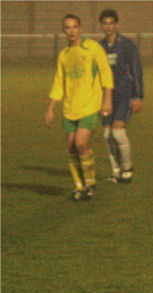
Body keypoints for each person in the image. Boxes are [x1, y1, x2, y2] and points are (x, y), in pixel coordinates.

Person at [45, 14, 113, 201]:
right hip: (69, 108)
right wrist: (51, 108)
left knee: (81, 144)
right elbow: (59, 83)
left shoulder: (92, 48)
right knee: (71, 148)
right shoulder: (64, 55)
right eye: (67, 27)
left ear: (80, 28)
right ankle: (79, 186)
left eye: (74, 26)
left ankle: (90, 184)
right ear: (64, 31)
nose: (71, 31)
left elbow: (106, 73)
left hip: (90, 106)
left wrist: (107, 99)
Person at [99, 8, 144, 184]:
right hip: (107, 97)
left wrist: (137, 97)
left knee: (118, 134)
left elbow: (136, 71)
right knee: (107, 136)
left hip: (125, 94)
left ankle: (127, 167)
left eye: (111, 23)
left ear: (116, 24)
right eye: (105, 23)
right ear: (101, 26)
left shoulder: (127, 45)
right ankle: (116, 172)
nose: (108, 27)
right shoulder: (99, 47)